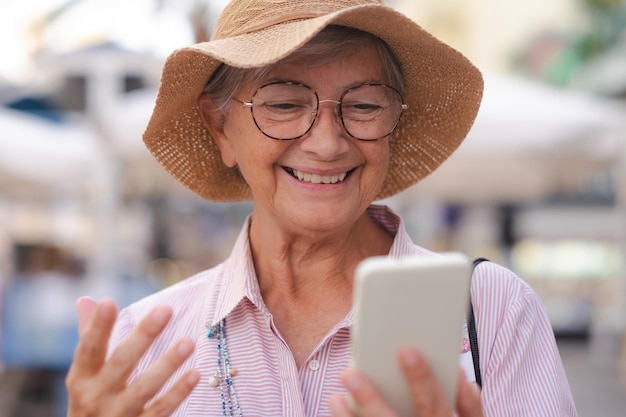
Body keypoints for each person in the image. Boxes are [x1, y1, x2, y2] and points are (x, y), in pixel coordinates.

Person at [65, 0, 578, 416]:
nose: (328, 143)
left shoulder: (489, 309)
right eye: (285, 104)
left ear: (393, 123)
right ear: (221, 129)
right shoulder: (142, 345)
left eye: (363, 105)